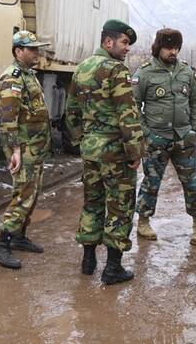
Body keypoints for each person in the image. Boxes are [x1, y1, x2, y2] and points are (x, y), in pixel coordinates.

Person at [66, 19, 145, 285]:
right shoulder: (116, 71)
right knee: (120, 207)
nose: (127, 48)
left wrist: (82, 141)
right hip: (115, 153)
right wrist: (135, 152)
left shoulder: (82, 68)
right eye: (124, 42)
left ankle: (88, 261)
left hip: (91, 151)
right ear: (108, 42)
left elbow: (72, 112)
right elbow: (128, 114)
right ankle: (112, 268)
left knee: (92, 202)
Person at [132, 28, 196, 245]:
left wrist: (194, 127)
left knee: (192, 182)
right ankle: (144, 222)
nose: (173, 52)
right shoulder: (144, 73)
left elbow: (195, 100)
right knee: (151, 182)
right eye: (168, 47)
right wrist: (147, 133)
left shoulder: (185, 72)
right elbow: (133, 105)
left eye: (176, 48)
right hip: (157, 139)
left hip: (184, 138)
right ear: (158, 47)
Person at [0, 30, 53, 270]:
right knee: (23, 195)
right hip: (23, 148)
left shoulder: (28, 75)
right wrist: (15, 149)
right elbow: (8, 118)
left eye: (37, 48)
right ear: (18, 51)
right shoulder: (12, 78)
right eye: (32, 49)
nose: (37, 52)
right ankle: (1, 245)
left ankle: (18, 236)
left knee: (33, 192)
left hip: (34, 147)